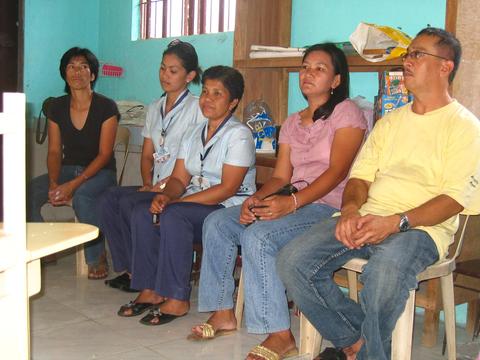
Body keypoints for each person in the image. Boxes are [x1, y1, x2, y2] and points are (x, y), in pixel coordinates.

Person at [277, 27, 480, 360]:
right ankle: (357, 344)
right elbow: (358, 178)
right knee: (292, 260)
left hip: (419, 229)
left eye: (418, 54)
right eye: (408, 54)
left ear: (446, 67)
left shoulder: (465, 127)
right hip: (368, 216)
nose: (407, 61)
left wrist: (396, 222)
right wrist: (351, 211)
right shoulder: (389, 123)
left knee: (383, 274)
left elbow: (454, 199)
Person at [191, 43, 367, 360]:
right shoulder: (291, 122)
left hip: (329, 206)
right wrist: (255, 200)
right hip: (293, 200)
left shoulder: (347, 113)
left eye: (319, 68)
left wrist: (293, 203)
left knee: (260, 236)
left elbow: (338, 172)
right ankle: (222, 312)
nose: (308, 74)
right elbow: (281, 176)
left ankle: (280, 334)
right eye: (304, 67)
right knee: (218, 222)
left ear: (336, 80)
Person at [117, 65, 257, 326]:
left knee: (174, 215)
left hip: (228, 209)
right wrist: (166, 196)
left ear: (233, 102)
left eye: (218, 94)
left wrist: (177, 203)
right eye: (205, 92)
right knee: (144, 211)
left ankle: (178, 298)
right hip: (195, 205)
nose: (207, 99)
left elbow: (227, 188)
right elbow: (180, 178)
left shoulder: (239, 135)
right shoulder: (194, 133)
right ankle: (151, 288)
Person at [98, 40, 205, 292]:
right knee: (108, 198)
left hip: (180, 188)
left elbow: (196, 162)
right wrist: (147, 182)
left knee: (129, 203)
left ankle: (145, 272)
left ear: (189, 76)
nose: (165, 75)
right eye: (162, 68)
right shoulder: (154, 107)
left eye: (173, 70)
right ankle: (130, 269)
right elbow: (147, 154)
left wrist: (162, 187)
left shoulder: (198, 109)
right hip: (155, 184)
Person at [28, 47, 119, 279]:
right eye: (71, 66)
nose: (77, 72)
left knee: (83, 195)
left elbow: (104, 154)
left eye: (83, 67)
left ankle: (96, 257)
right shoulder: (56, 107)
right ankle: (44, 247)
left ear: (93, 75)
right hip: (68, 170)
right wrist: (54, 182)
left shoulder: (106, 107)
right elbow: (55, 151)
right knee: (27, 193)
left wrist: (72, 185)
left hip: (101, 173)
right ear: (64, 73)